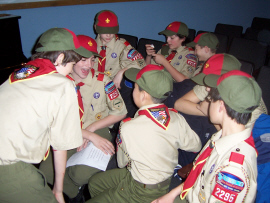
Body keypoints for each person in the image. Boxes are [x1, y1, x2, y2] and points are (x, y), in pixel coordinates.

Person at [86, 64, 202, 203]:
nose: (132, 91)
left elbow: (122, 162)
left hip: (141, 190)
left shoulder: (128, 127)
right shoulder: (176, 118)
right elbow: (196, 146)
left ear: (143, 95)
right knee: (94, 182)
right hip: (163, 180)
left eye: (134, 87)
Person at [39, 35, 127, 201]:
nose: (89, 65)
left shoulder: (103, 81)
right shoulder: (59, 82)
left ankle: (73, 192)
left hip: (98, 128)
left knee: (79, 175)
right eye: (83, 60)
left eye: (92, 60)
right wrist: (86, 134)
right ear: (70, 59)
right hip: (67, 131)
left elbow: (120, 112)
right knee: (45, 172)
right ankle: (70, 194)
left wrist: (91, 130)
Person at [0, 28, 84, 203]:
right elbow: (61, 144)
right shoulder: (62, 85)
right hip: (7, 168)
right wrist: (58, 191)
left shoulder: (16, 75)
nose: (71, 70)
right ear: (61, 58)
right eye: (71, 63)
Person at [152, 70, 261, 203]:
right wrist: (172, 194)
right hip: (192, 193)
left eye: (209, 99)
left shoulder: (233, 169)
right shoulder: (222, 136)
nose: (206, 104)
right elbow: (200, 175)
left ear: (221, 106)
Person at [174, 53, 267, 129]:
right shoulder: (211, 84)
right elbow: (179, 104)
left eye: (211, 79)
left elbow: (230, 138)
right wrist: (204, 109)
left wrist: (210, 112)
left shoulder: (247, 103)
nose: (207, 88)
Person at [93, 9, 145, 118]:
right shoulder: (91, 45)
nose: (109, 35)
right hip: (94, 86)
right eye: (104, 31)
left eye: (112, 31)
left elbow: (140, 62)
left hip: (113, 88)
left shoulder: (121, 45)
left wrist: (122, 72)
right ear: (96, 28)